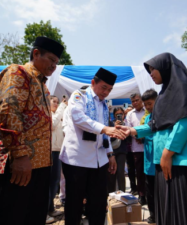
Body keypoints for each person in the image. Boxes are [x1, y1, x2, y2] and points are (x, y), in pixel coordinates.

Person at [118, 53, 187, 225]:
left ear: (165, 67)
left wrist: (167, 153)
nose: (150, 74)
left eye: (153, 69)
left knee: (186, 210)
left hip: (183, 160)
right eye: (148, 71)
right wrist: (131, 130)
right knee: (171, 208)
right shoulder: (163, 95)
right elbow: (155, 125)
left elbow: (185, 122)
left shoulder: (184, 88)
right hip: (165, 158)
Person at [0, 37, 64, 225]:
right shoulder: (18, 72)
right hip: (17, 162)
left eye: (57, 62)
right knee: (11, 216)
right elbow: (9, 113)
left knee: (33, 216)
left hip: (39, 165)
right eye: (51, 60)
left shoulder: (44, 87)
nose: (54, 66)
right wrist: (20, 156)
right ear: (36, 54)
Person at [59, 68, 126, 225]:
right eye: (104, 87)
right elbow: (78, 118)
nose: (106, 92)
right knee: (74, 204)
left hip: (99, 160)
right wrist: (104, 129)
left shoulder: (103, 105)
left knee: (98, 203)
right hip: (77, 160)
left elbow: (105, 133)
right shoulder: (79, 96)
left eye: (110, 90)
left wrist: (110, 154)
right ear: (93, 82)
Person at [46, 95, 67, 223]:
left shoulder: (58, 115)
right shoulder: (47, 114)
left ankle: (50, 208)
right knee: (48, 183)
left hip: (58, 151)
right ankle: (44, 211)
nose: (57, 104)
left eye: (57, 102)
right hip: (49, 152)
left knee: (54, 182)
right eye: (54, 101)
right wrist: (62, 108)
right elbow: (52, 125)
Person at [125, 93, 147, 205]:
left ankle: (150, 194)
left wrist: (144, 136)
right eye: (133, 101)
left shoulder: (147, 111)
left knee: (149, 173)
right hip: (137, 148)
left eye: (137, 100)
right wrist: (138, 136)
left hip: (148, 146)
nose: (135, 103)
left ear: (141, 100)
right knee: (139, 173)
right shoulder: (130, 114)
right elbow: (128, 128)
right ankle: (142, 195)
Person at [141, 88, 158, 224]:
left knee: (161, 192)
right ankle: (152, 214)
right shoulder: (147, 118)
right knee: (150, 191)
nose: (147, 107)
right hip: (148, 162)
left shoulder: (164, 116)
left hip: (159, 162)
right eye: (145, 104)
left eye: (150, 103)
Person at [107, 107, 130, 193]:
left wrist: (125, 128)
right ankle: (111, 194)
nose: (119, 116)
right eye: (117, 114)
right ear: (114, 115)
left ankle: (122, 194)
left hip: (122, 151)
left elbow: (129, 139)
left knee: (120, 172)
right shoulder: (111, 124)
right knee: (111, 173)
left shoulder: (127, 124)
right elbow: (109, 137)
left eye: (121, 114)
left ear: (124, 114)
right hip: (111, 151)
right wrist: (115, 127)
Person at [124, 106, 137, 194]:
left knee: (139, 171)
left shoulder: (136, 120)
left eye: (131, 110)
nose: (129, 112)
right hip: (128, 150)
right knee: (131, 170)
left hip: (137, 148)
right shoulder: (123, 122)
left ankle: (141, 190)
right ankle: (133, 188)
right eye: (127, 111)